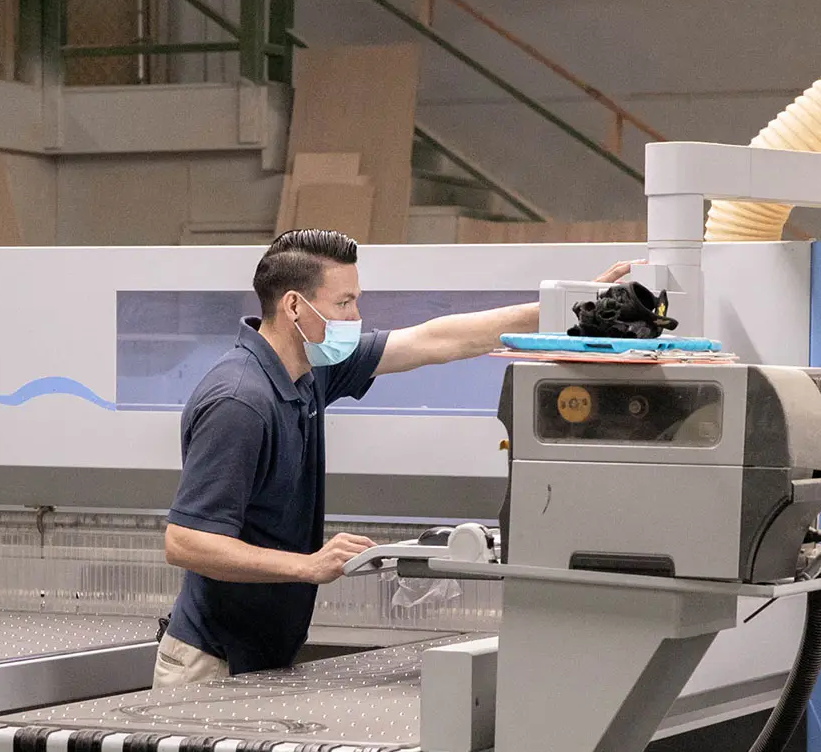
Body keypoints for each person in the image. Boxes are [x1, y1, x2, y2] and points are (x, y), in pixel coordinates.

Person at [154, 229, 631, 686]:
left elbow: (437, 340)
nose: (354, 315)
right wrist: (308, 566)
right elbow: (187, 542)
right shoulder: (241, 402)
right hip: (210, 665)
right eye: (343, 303)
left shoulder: (308, 371)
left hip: (264, 656)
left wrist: (566, 307)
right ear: (294, 306)